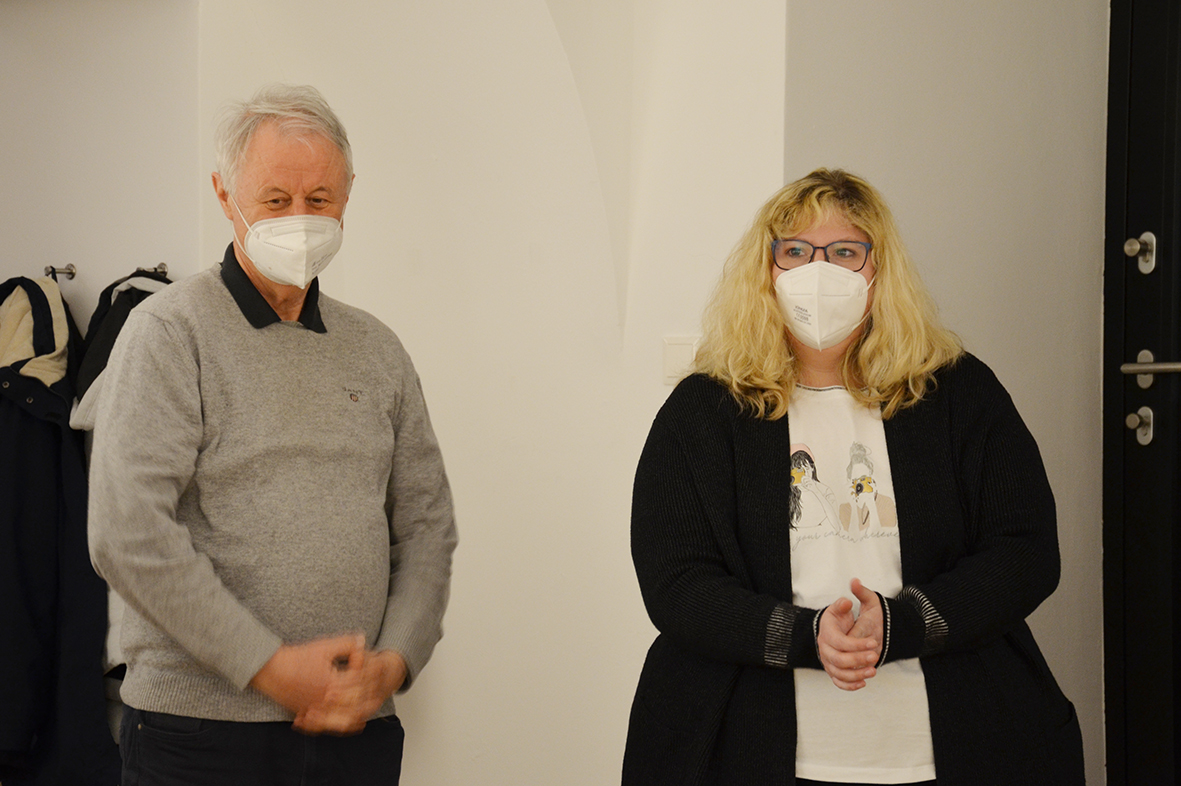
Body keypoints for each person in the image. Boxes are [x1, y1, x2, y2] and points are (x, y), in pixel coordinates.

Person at [621, 169, 1084, 786]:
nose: (819, 271)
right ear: (766, 270)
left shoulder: (958, 391)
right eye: (795, 252)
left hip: (951, 742)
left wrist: (899, 626)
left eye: (844, 252)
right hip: (743, 746)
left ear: (879, 270)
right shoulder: (704, 410)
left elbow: (1025, 550)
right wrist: (807, 636)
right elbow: (676, 582)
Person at [88, 84, 457, 785]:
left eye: (319, 199)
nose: (300, 220)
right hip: (198, 737)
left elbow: (426, 526)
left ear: (349, 195)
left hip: (357, 730)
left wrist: (394, 662)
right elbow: (127, 531)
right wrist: (271, 668)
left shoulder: (377, 349)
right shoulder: (169, 332)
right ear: (224, 194)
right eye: (276, 199)